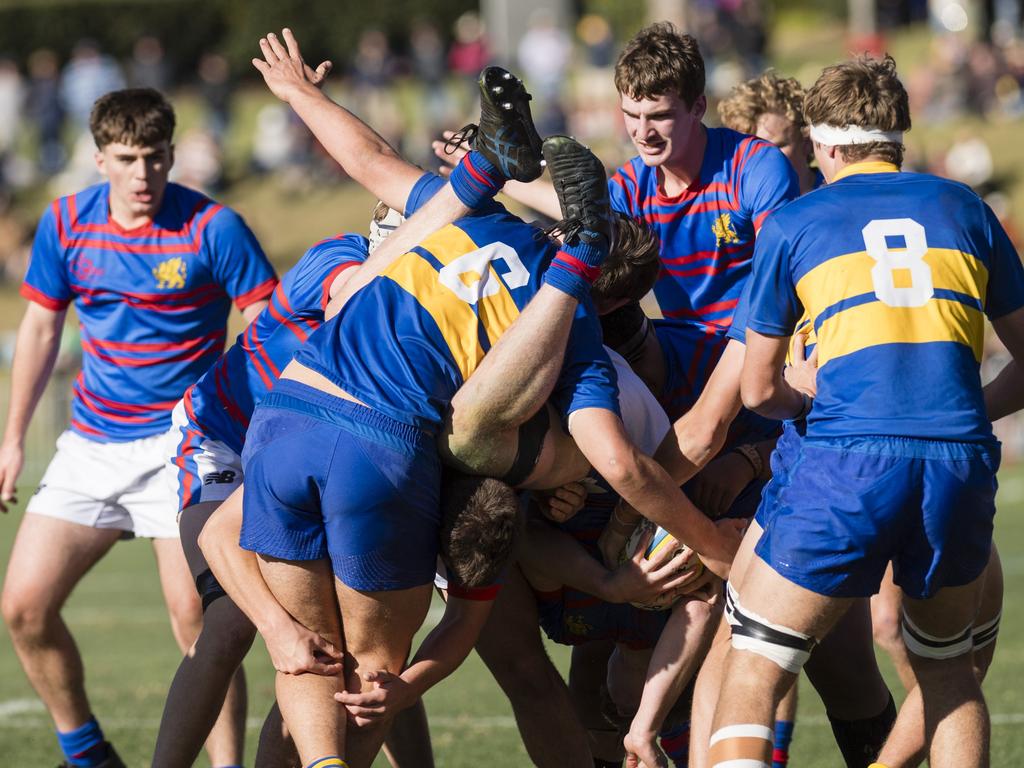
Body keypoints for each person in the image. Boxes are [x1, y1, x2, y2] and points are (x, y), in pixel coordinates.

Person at [710, 55, 1024, 768]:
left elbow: (758, 391)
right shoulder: (966, 206)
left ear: (822, 144)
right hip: (958, 461)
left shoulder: (795, 222)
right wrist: (959, 410)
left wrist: (806, 390)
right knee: (947, 671)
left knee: (756, 666)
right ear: (896, 137)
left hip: (850, 457)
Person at [0, 88, 277, 768]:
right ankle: (88, 754)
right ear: (99, 160)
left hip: (184, 444)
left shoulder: (214, 228)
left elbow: (270, 326)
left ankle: (226, 766)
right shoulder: (65, 224)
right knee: (24, 609)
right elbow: (40, 326)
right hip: (92, 441)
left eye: (155, 158)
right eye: (126, 159)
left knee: (199, 619)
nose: (142, 174)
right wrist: (12, 438)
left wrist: (255, 429)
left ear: (173, 155)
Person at [717, 69, 823, 196]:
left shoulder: (836, 198)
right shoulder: (734, 208)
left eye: (776, 147)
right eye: (751, 151)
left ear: (807, 142)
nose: (764, 158)